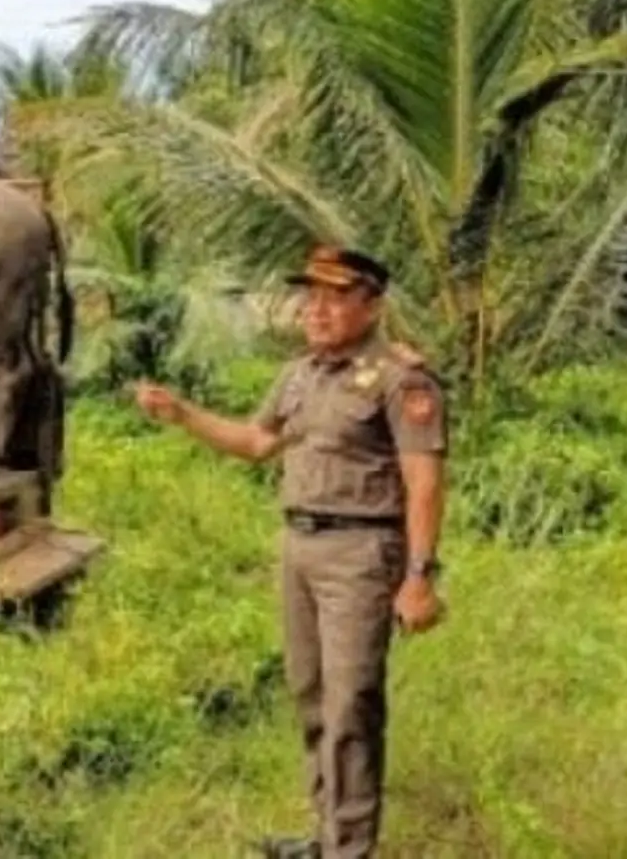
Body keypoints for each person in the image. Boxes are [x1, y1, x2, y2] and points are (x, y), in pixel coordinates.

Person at [133, 246, 448, 859]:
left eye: (337, 296)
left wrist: (420, 576)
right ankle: (326, 833)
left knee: (352, 701)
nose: (319, 308)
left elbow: (425, 483)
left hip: (362, 552)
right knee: (310, 694)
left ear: (373, 305)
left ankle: (349, 849)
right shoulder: (301, 373)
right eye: (313, 295)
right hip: (299, 547)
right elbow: (256, 441)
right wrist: (182, 413)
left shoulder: (401, 379)